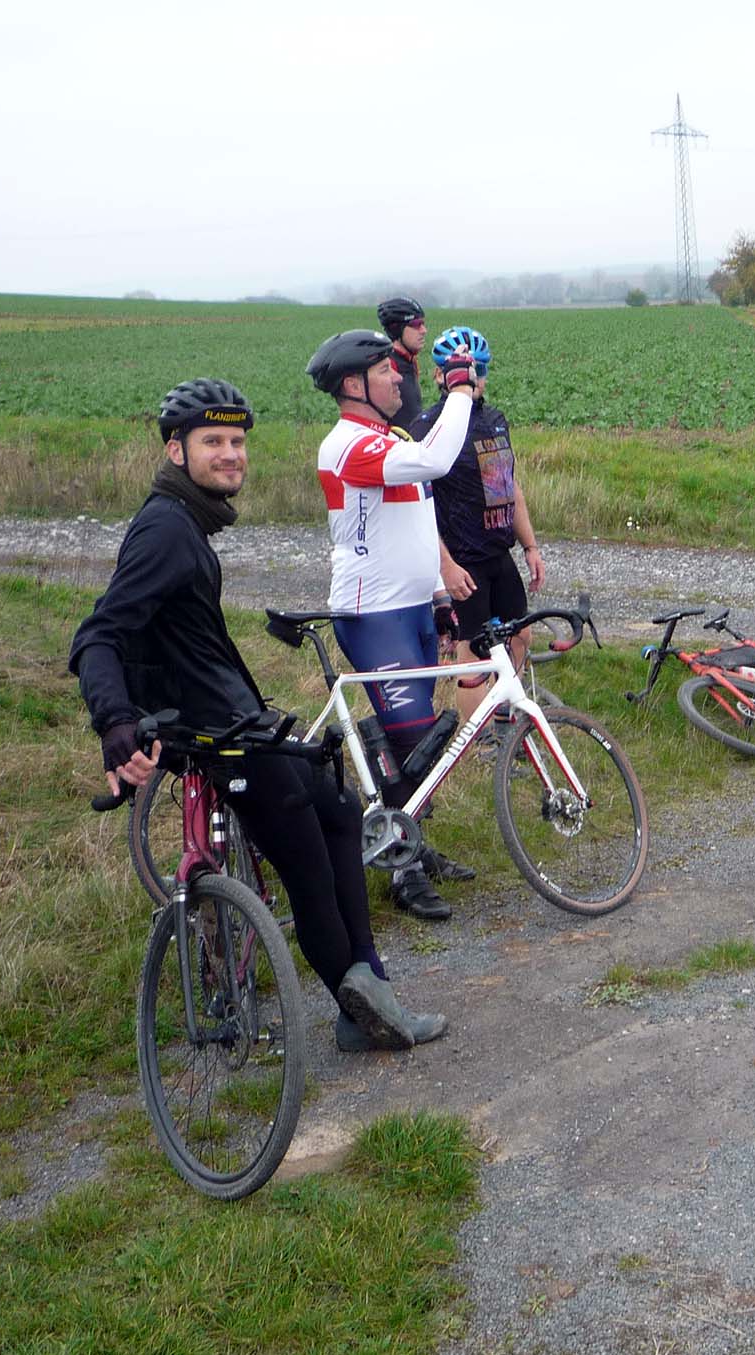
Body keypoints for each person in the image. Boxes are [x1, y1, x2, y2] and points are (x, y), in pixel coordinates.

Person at [69, 379, 446, 1052]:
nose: (230, 454)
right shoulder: (165, 531)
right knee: (307, 859)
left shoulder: (185, 521)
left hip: (234, 719)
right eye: (212, 442)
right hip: (217, 734)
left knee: (338, 808)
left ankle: (369, 980)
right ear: (176, 451)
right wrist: (115, 723)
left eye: (238, 442)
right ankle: (359, 1009)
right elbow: (99, 634)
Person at [307, 328, 481, 920]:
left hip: (411, 611)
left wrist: (439, 597)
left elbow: (418, 521)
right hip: (373, 615)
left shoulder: (389, 439)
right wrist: (460, 390)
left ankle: (408, 843)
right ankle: (404, 872)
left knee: (415, 745)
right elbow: (437, 460)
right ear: (353, 384)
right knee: (415, 740)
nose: (397, 378)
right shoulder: (348, 446)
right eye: (384, 371)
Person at [411, 325, 546, 725]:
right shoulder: (428, 426)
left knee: (520, 635)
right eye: (466, 370)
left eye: (481, 370)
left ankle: (506, 722)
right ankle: (478, 741)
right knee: (472, 655)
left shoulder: (494, 419)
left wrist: (530, 546)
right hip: (463, 560)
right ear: (439, 375)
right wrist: (446, 567)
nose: (475, 378)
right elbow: (416, 507)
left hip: (498, 553)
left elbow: (509, 486)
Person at [375, 296, 428, 431]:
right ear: (396, 329)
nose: (424, 330)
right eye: (416, 325)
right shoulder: (387, 365)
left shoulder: (410, 361)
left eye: (423, 324)